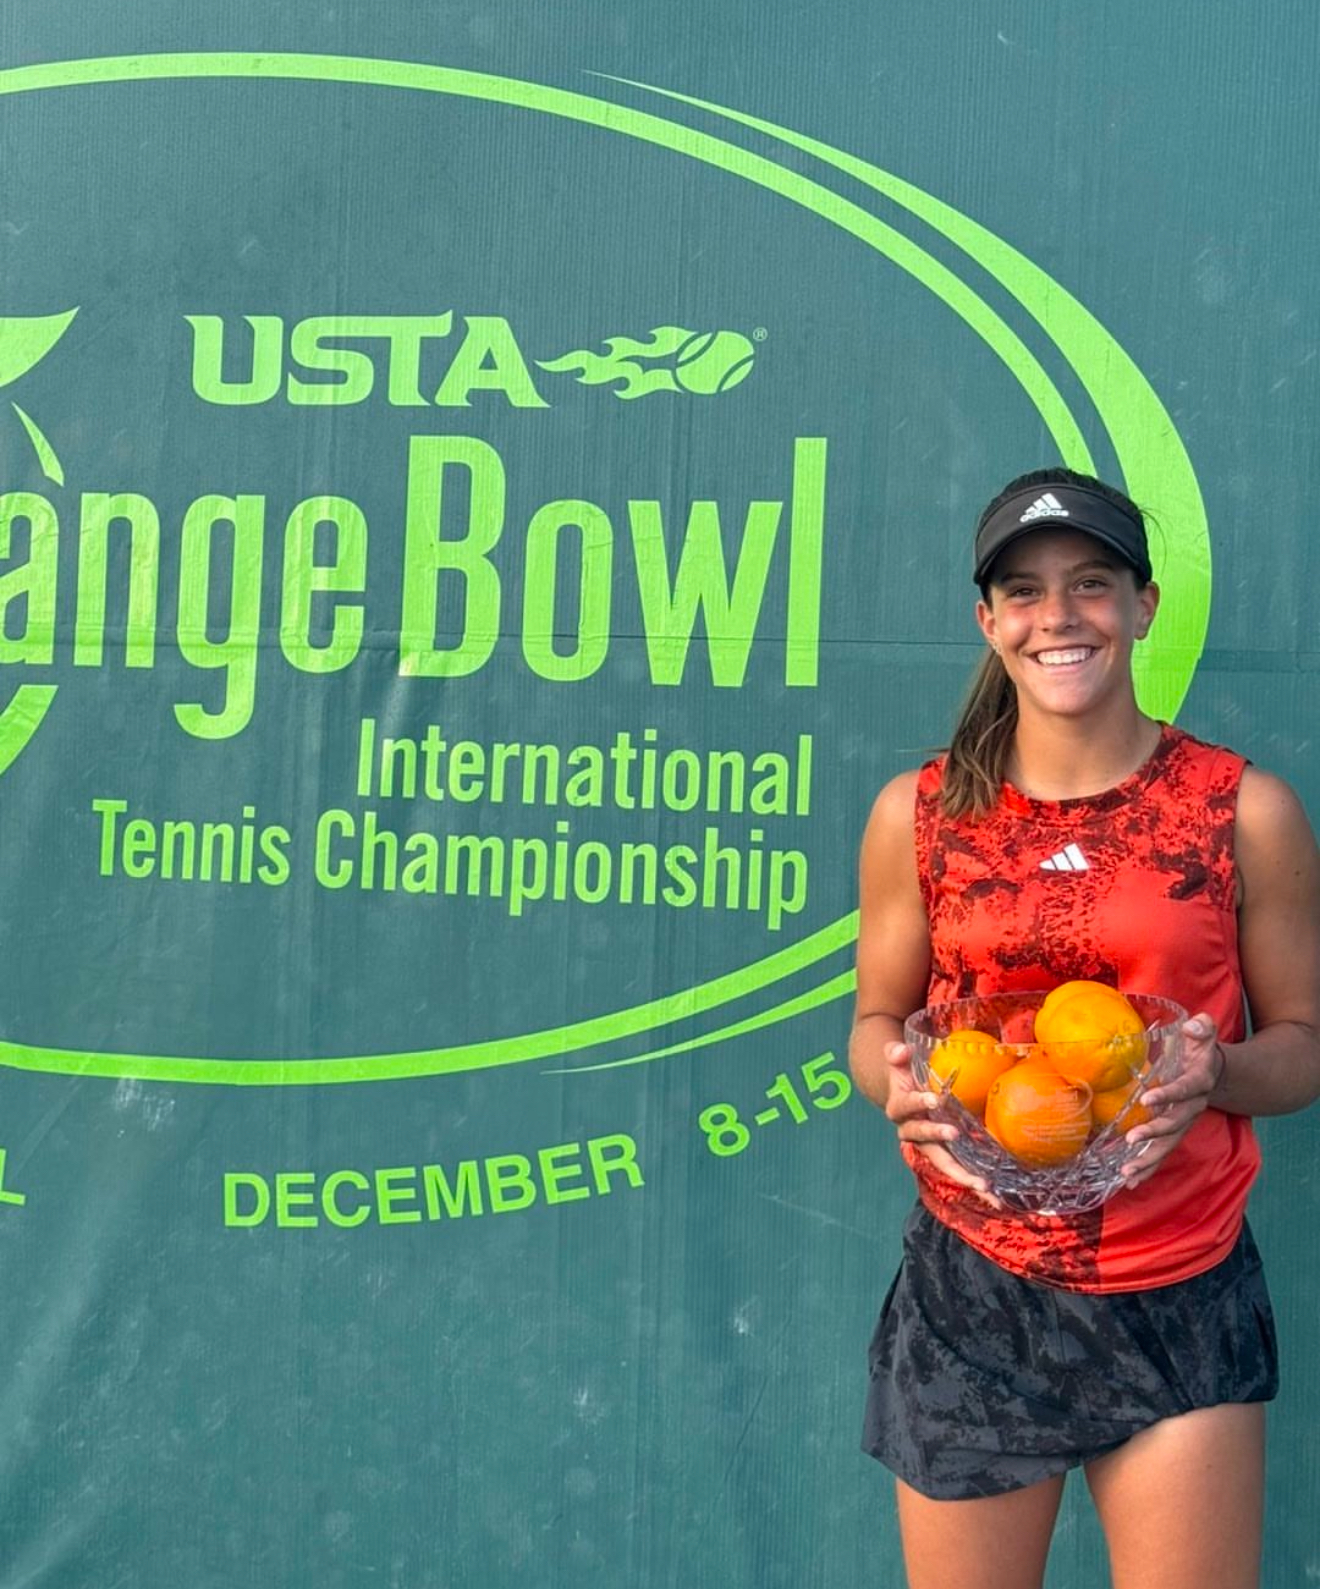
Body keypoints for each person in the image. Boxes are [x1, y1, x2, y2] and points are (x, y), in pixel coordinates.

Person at [849, 467, 1320, 1589]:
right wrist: (897, 1083)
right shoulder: (918, 814)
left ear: (1144, 604)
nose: (1057, 616)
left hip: (1180, 1288)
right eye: (1023, 590)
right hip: (974, 1293)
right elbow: (874, 1020)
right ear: (988, 621)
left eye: (1091, 583)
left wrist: (1220, 1071)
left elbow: (1302, 1043)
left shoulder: (1241, 809)